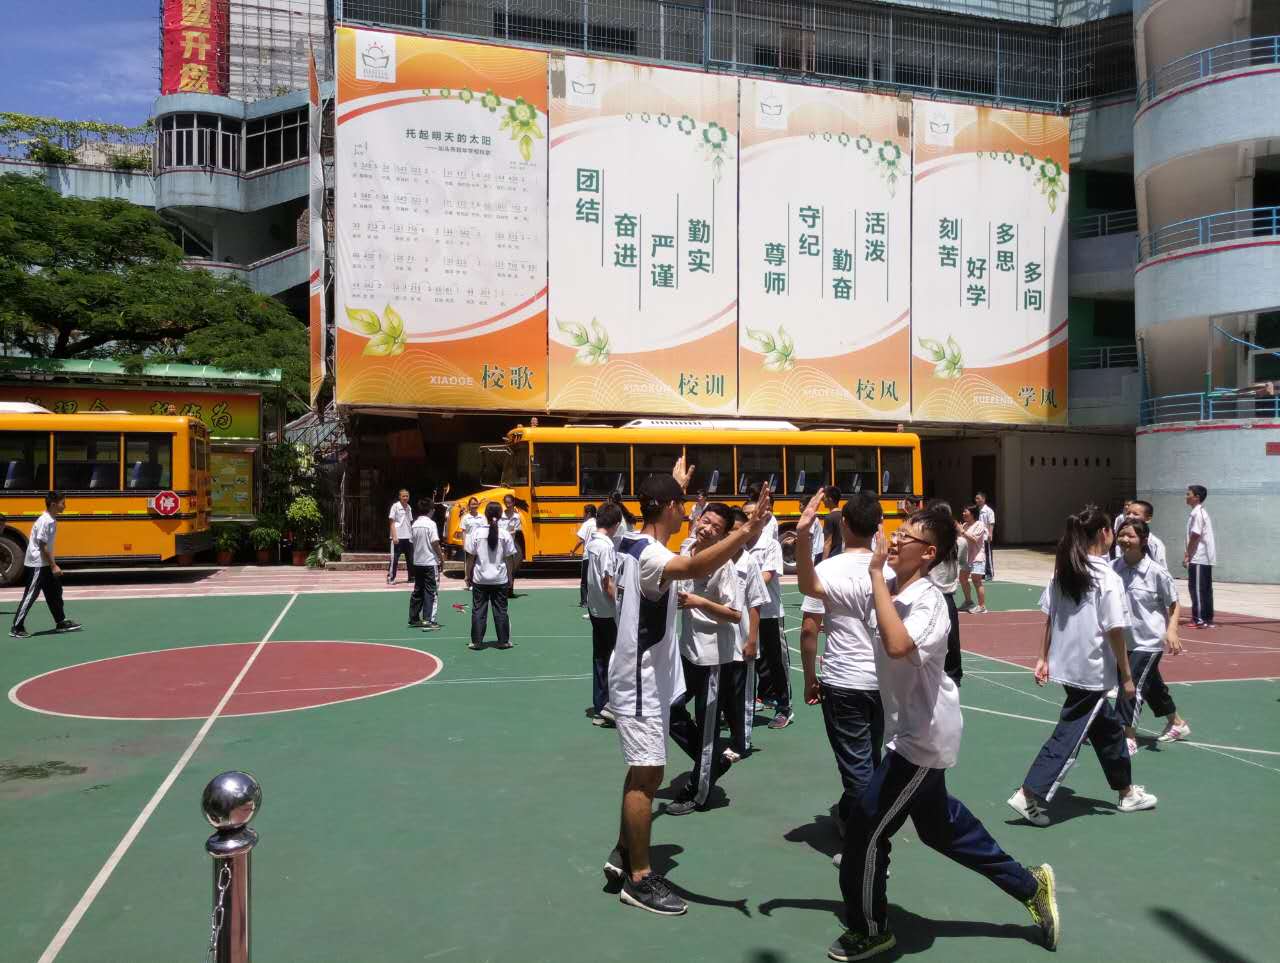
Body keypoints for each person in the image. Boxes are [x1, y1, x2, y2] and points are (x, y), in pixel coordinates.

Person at [827, 505, 1059, 961]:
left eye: (906, 536)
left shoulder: (930, 602)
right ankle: (1029, 885)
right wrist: (795, 535)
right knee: (942, 830)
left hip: (922, 739)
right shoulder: (891, 587)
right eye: (896, 532)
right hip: (907, 730)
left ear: (929, 553)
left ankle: (869, 929)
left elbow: (899, 644)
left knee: (865, 831)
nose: (895, 539)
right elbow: (816, 587)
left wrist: (875, 576)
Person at [602, 464, 771, 916]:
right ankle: (639, 878)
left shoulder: (630, 541)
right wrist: (747, 530)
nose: (690, 516)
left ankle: (623, 853)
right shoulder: (652, 556)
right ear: (671, 508)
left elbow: (666, 538)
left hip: (641, 676)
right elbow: (694, 565)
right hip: (640, 681)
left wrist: (672, 482)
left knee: (641, 774)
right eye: (684, 506)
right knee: (647, 777)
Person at [1008, 506, 1157, 828]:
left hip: (1068, 666)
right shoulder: (1106, 577)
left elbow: (1050, 618)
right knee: (1069, 734)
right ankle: (1029, 792)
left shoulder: (1065, 570)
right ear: (1104, 533)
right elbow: (1114, 629)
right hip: (1091, 671)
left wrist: (1043, 657)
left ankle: (1126, 791)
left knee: (1108, 731)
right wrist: (1127, 676)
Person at [796, 491, 884, 838]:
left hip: (844, 678)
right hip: (884, 679)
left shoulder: (827, 569)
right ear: (879, 525)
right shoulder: (890, 569)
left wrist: (809, 678)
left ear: (843, 523)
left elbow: (809, 630)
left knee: (858, 766)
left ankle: (867, 840)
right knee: (870, 755)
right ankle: (851, 815)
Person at [665, 502, 741, 814]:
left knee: (707, 726)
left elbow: (735, 614)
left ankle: (698, 794)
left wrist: (699, 602)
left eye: (716, 528)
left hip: (713, 657)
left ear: (724, 536)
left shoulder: (724, 566)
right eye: (705, 521)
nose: (707, 529)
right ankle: (712, 761)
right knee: (669, 709)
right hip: (687, 651)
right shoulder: (686, 547)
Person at [1114, 519, 1191, 749]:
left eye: (1130, 536)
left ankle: (1127, 736)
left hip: (1148, 641)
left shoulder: (1157, 573)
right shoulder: (1112, 568)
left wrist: (1172, 630)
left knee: (1130, 685)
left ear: (1143, 540)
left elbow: (1174, 603)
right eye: (1122, 535)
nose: (1125, 539)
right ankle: (1177, 723)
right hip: (1123, 641)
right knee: (1152, 685)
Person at [725, 509, 769, 759]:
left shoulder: (748, 562)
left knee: (741, 697)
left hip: (741, 642)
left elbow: (755, 603)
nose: (733, 536)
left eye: (738, 530)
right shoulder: (715, 558)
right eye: (729, 531)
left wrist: (752, 640)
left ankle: (741, 742)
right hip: (718, 643)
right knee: (723, 696)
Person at [11, 491, 81, 638]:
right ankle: (16, 627)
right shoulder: (46, 521)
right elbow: (43, 546)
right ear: (54, 505)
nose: (65, 506)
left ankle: (60, 621)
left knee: (55, 591)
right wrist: (53, 565)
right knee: (31, 595)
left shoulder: (51, 520)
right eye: (63, 503)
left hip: (44, 563)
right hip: (38, 563)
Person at [749, 509, 791, 729]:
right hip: (746, 614)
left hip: (769, 613)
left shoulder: (770, 545)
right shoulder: (738, 545)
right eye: (746, 514)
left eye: (753, 513)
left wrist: (738, 585)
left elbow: (767, 575)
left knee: (777, 662)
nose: (750, 517)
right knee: (751, 660)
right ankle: (757, 699)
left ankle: (784, 707)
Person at [586, 503, 623, 725]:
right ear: (616, 524)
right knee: (616, 659)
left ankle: (601, 705)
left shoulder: (592, 543)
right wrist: (622, 602)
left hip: (595, 608)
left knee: (600, 657)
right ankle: (611, 705)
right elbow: (608, 583)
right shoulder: (606, 546)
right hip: (608, 611)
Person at [466, 502, 517, 650]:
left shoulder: (476, 533)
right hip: (499, 578)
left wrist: (467, 575)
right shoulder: (505, 534)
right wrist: (510, 577)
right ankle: (503, 641)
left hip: (480, 578)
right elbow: (509, 558)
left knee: (478, 610)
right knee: (500, 610)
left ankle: (476, 642)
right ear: (500, 515)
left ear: (486, 515)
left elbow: (470, 557)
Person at [924, 498, 964, 685]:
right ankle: (953, 676)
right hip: (948, 598)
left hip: (931, 594)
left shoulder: (928, 544)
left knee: (928, 639)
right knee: (951, 641)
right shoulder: (958, 542)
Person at [1183, 485, 1216, 628]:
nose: (1186, 497)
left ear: (1196, 497)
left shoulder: (1197, 514)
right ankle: (1207, 618)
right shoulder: (1199, 513)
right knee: (1205, 589)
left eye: (1188, 494)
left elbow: (1195, 535)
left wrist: (1188, 554)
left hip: (1199, 557)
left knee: (1196, 588)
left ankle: (1199, 619)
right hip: (1204, 558)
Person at [408, 497, 443, 630]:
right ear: (431, 510)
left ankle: (414, 617)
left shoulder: (415, 524)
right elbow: (435, 542)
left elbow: (412, 542)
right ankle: (429, 620)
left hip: (418, 561)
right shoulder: (431, 524)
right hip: (430, 561)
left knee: (418, 589)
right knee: (431, 591)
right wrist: (441, 557)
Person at [957, 506, 988, 613]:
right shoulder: (964, 525)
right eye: (963, 512)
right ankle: (968, 602)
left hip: (977, 557)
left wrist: (962, 531)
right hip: (966, 557)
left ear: (972, 514)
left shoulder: (980, 524)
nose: (963, 513)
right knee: (962, 578)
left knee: (976, 581)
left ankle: (982, 606)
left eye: (965, 512)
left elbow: (974, 539)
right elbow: (960, 539)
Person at [1126, 500, 1166, 568]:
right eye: (1128, 513)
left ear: (1148, 519)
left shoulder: (1154, 544)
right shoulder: (1123, 538)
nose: (1129, 516)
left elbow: (1161, 569)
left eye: (1135, 514)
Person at [574, 504, 598, 610]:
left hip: (587, 555)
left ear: (588, 513)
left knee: (584, 580)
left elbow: (581, 540)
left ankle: (584, 601)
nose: (583, 515)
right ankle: (595, 601)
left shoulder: (586, 524)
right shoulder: (598, 523)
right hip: (596, 555)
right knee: (595, 579)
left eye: (584, 512)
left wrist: (573, 551)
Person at [458, 497, 485, 589]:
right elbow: (463, 532)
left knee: (479, 562)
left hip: (480, 542)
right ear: (469, 506)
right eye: (472, 504)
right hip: (469, 541)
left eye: (475, 504)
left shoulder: (482, 517)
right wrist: (464, 543)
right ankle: (468, 579)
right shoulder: (465, 517)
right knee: (470, 562)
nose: (474, 506)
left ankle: (478, 581)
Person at [501, 494, 525, 598]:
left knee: (511, 568)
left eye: (509, 502)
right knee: (503, 568)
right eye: (506, 502)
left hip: (511, 544)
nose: (508, 505)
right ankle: (502, 591)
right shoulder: (501, 515)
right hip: (501, 544)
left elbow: (516, 530)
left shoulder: (517, 516)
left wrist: (507, 532)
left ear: (513, 503)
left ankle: (510, 590)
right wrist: (507, 532)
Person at [387, 489, 413, 584]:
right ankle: (391, 577)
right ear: (399, 497)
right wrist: (394, 536)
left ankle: (411, 577)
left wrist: (412, 536)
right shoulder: (395, 506)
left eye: (407, 496)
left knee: (411, 559)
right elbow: (392, 522)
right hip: (398, 536)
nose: (405, 498)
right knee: (394, 559)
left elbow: (410, 521)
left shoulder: (409, 507)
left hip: (408, 537)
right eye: (403, 496)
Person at [975, 491, 996, 580]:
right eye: (976, 498)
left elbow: (991, 523)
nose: (976, 500)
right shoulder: (977, 510)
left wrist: (990, 534)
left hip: (985, 536)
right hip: (978, 537)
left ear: (983, 499)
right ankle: (982, 572)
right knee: (981, 555)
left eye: (978, 498)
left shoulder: (988, 511)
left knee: (988, 555)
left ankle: (989, 573)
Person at [820, 485, 843, 561]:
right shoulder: (844, 514)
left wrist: (823, 562)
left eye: (824, 498)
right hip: (843, 554)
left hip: (833, 555)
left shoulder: (829, 518)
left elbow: (828, 542)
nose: (823, 501)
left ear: (830, 499)